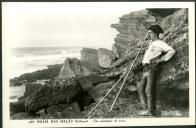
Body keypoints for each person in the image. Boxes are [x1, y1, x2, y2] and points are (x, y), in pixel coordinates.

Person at [137, 25, 175, 116]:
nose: (148, 34)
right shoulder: (151, 43)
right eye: (148, 33)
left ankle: (151, 111)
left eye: (150, 33)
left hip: (152, 68)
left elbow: (172, 51)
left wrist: (161, 59)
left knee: (148, 91)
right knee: (140, 89)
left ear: (155, 33)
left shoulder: (160, 43)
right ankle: (146, 108)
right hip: (145, 68)